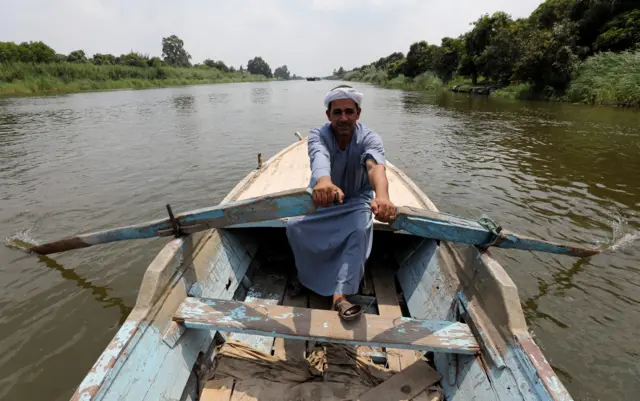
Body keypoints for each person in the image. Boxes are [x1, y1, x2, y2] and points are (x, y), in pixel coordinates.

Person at [285, 85, 396, 321]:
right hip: (325, 197)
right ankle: (307, 279)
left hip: (357, 199)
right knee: (294, 226)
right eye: (337, 112)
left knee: (359, 229)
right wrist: (324, 182)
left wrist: (382, 197)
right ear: (328, 115)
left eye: (348, 111)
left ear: (358, 113)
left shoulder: (369, 138)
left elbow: (375, 166)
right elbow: (319, 157)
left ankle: (340, 297)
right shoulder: (318, 134)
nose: (343, 117)